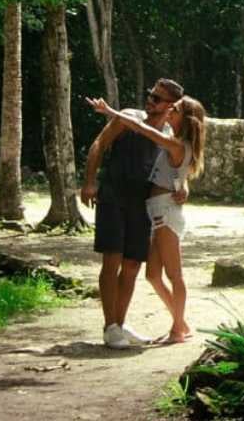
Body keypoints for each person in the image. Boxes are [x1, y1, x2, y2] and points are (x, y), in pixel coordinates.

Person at [87, 93, 206, 344]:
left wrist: (110, 110)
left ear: (177, 113)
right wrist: (89, 182)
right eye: (152, 95)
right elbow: (176, 170)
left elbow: (152, 138)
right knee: (138, 269)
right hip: (137, 205)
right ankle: (116, 326)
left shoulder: (171, 138)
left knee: (157, 271)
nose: (152, 100)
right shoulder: (167, 136)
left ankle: (171, 329)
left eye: (167, 103)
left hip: (156, 211)